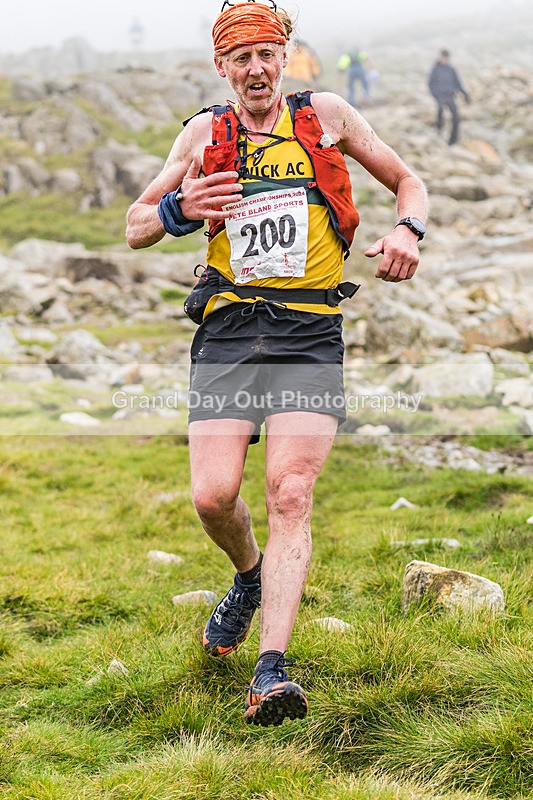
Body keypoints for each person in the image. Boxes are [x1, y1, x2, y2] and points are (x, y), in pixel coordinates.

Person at [126, 0, 428, 727]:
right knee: (213, 496)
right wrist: (178, 211)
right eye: (242, 58)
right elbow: (136, 226)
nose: (257, 68)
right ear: (221, 66)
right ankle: (249, 577)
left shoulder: (326, 114)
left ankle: (271, 672)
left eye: (268, 53)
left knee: (289, 493)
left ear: (284, 55)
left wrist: (408, 230)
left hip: (309, 330)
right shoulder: (204, 132)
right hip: (230, 330)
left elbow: (406, 181)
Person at [428, 49, 471, 145]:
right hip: (440, 96)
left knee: (456, 117)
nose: (445, 60)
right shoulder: (435, 69)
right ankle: (438, 133)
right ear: (441, 57)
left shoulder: (451, 69)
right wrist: (435, 94)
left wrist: (464, 94)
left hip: (450, 96)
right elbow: (430, 84)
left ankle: (453, 140)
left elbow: (458, 83)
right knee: (440, 112)